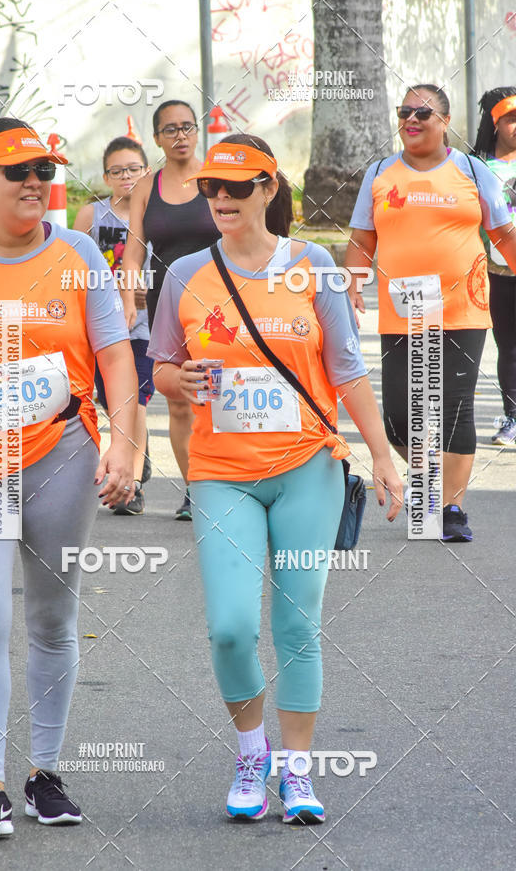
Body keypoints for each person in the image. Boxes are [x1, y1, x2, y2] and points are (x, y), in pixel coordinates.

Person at [148, 134, 403, 824]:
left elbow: (347, 368)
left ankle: (297, 771)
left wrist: (381, 453)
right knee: (230, 627)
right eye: (210, 188)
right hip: (222, 473)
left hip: (305, 467)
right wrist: (182, 377)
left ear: (269, 187)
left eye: (235, 187)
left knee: (297, 621)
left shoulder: (313, 266)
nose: (221, 199)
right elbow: (161, 367)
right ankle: (250, 751)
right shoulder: (186, 275)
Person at [0, 117, 137, 840]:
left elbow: (114, 358)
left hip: (60, 456)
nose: (34, 182)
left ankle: (44, 773)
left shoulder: (77, 254)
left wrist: (126, 448)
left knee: (50, 616)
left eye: (43, 169)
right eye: (15, 172)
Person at [346, 84, 516, 542]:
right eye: (404, 112)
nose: (412, 119)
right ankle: (431, 482)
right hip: (403, 310)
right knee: (399, 416)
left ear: (444, 122)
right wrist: (351, 285)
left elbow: (502, 233)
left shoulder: (472, 170)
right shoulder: (381, 172)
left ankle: (452, 507)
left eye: (423, 112)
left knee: (455, 407)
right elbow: (363, 240)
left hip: (464, 306)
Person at [122, 99, 219, 520]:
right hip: (169, 305)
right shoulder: (147, 185)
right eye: (170, 129)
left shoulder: (218, 178)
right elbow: (132, 255)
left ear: (197, 131)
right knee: (179, 399)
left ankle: (227, 484)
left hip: (221, 306)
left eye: (187, 127)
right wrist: (128, 297)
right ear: (158, 138)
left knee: (216, 399)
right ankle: (195, 489)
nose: (181, 135)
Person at [74, 135, 154, 514]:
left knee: (134, 400)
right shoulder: (92, 216)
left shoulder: (157, 214)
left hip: (145, 325)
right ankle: (141, 453)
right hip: (103, 324)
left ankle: (131, 485)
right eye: (117, 171)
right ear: (106, 177)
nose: (127, 177)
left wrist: (145, 295)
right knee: (112, 401)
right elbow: (75, 271)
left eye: (134, 170)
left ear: (147, 172)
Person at [473, 87, 516, 445]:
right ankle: (513, 418)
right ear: (495, 122)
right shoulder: (477, 167)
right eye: (511, 118)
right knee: (510, 348)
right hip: (500, 273)